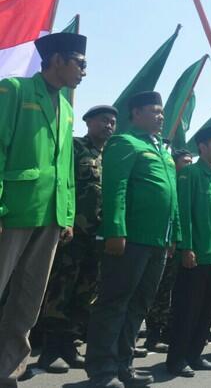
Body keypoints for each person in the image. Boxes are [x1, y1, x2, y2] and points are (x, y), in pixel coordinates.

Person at [0, 32, 85, 386]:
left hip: (49, 216)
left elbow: (65, 167)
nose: (84, 71)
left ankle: (7, 368)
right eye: (79, 64)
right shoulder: (14, 90)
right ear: (57, 61)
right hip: (13, 209)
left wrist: (66, 215)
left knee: (29, 297)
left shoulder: (66, 107)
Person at [85, 91, 180, 388]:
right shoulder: (125, 142)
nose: (161, 116)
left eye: (162, 111)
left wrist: (175, 234)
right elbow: (116, 189)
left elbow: (171, 198)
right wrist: (115, 230)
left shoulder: (163, 151)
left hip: (157, 241)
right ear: (136, 114)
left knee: (139, 305)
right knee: (114, 303)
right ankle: (102, 370)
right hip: (130, 238)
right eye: (154, 110)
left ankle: (124, 366)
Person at [38, 105, 117, 374]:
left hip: (98, 237)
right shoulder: (74, 148)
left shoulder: (112, 157)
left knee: (85, 292)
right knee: (61, 288)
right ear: (89, 122)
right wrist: (65, 220)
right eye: (104, 120)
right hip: (73, 234)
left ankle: (70, 345)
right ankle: (50, 350)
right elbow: (62, 185)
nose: (109, 125)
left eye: (112, 122)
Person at [165, 126, 211, 376]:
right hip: (197, 254)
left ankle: (195, 355)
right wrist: (187, 247)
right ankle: (177, 359)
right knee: (187, 309)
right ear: (202, 147)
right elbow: (184, 212)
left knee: (207, 310)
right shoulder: (190, 174)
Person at [144, 149, 192, 355]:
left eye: (191, 161)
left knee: (169, 293)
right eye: (185, 161)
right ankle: (152, 337)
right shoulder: (172, 182)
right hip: (160, 243)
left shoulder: (185, 183)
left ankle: (162, 333)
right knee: (158, 291)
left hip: (175, 245)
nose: (188, 165)